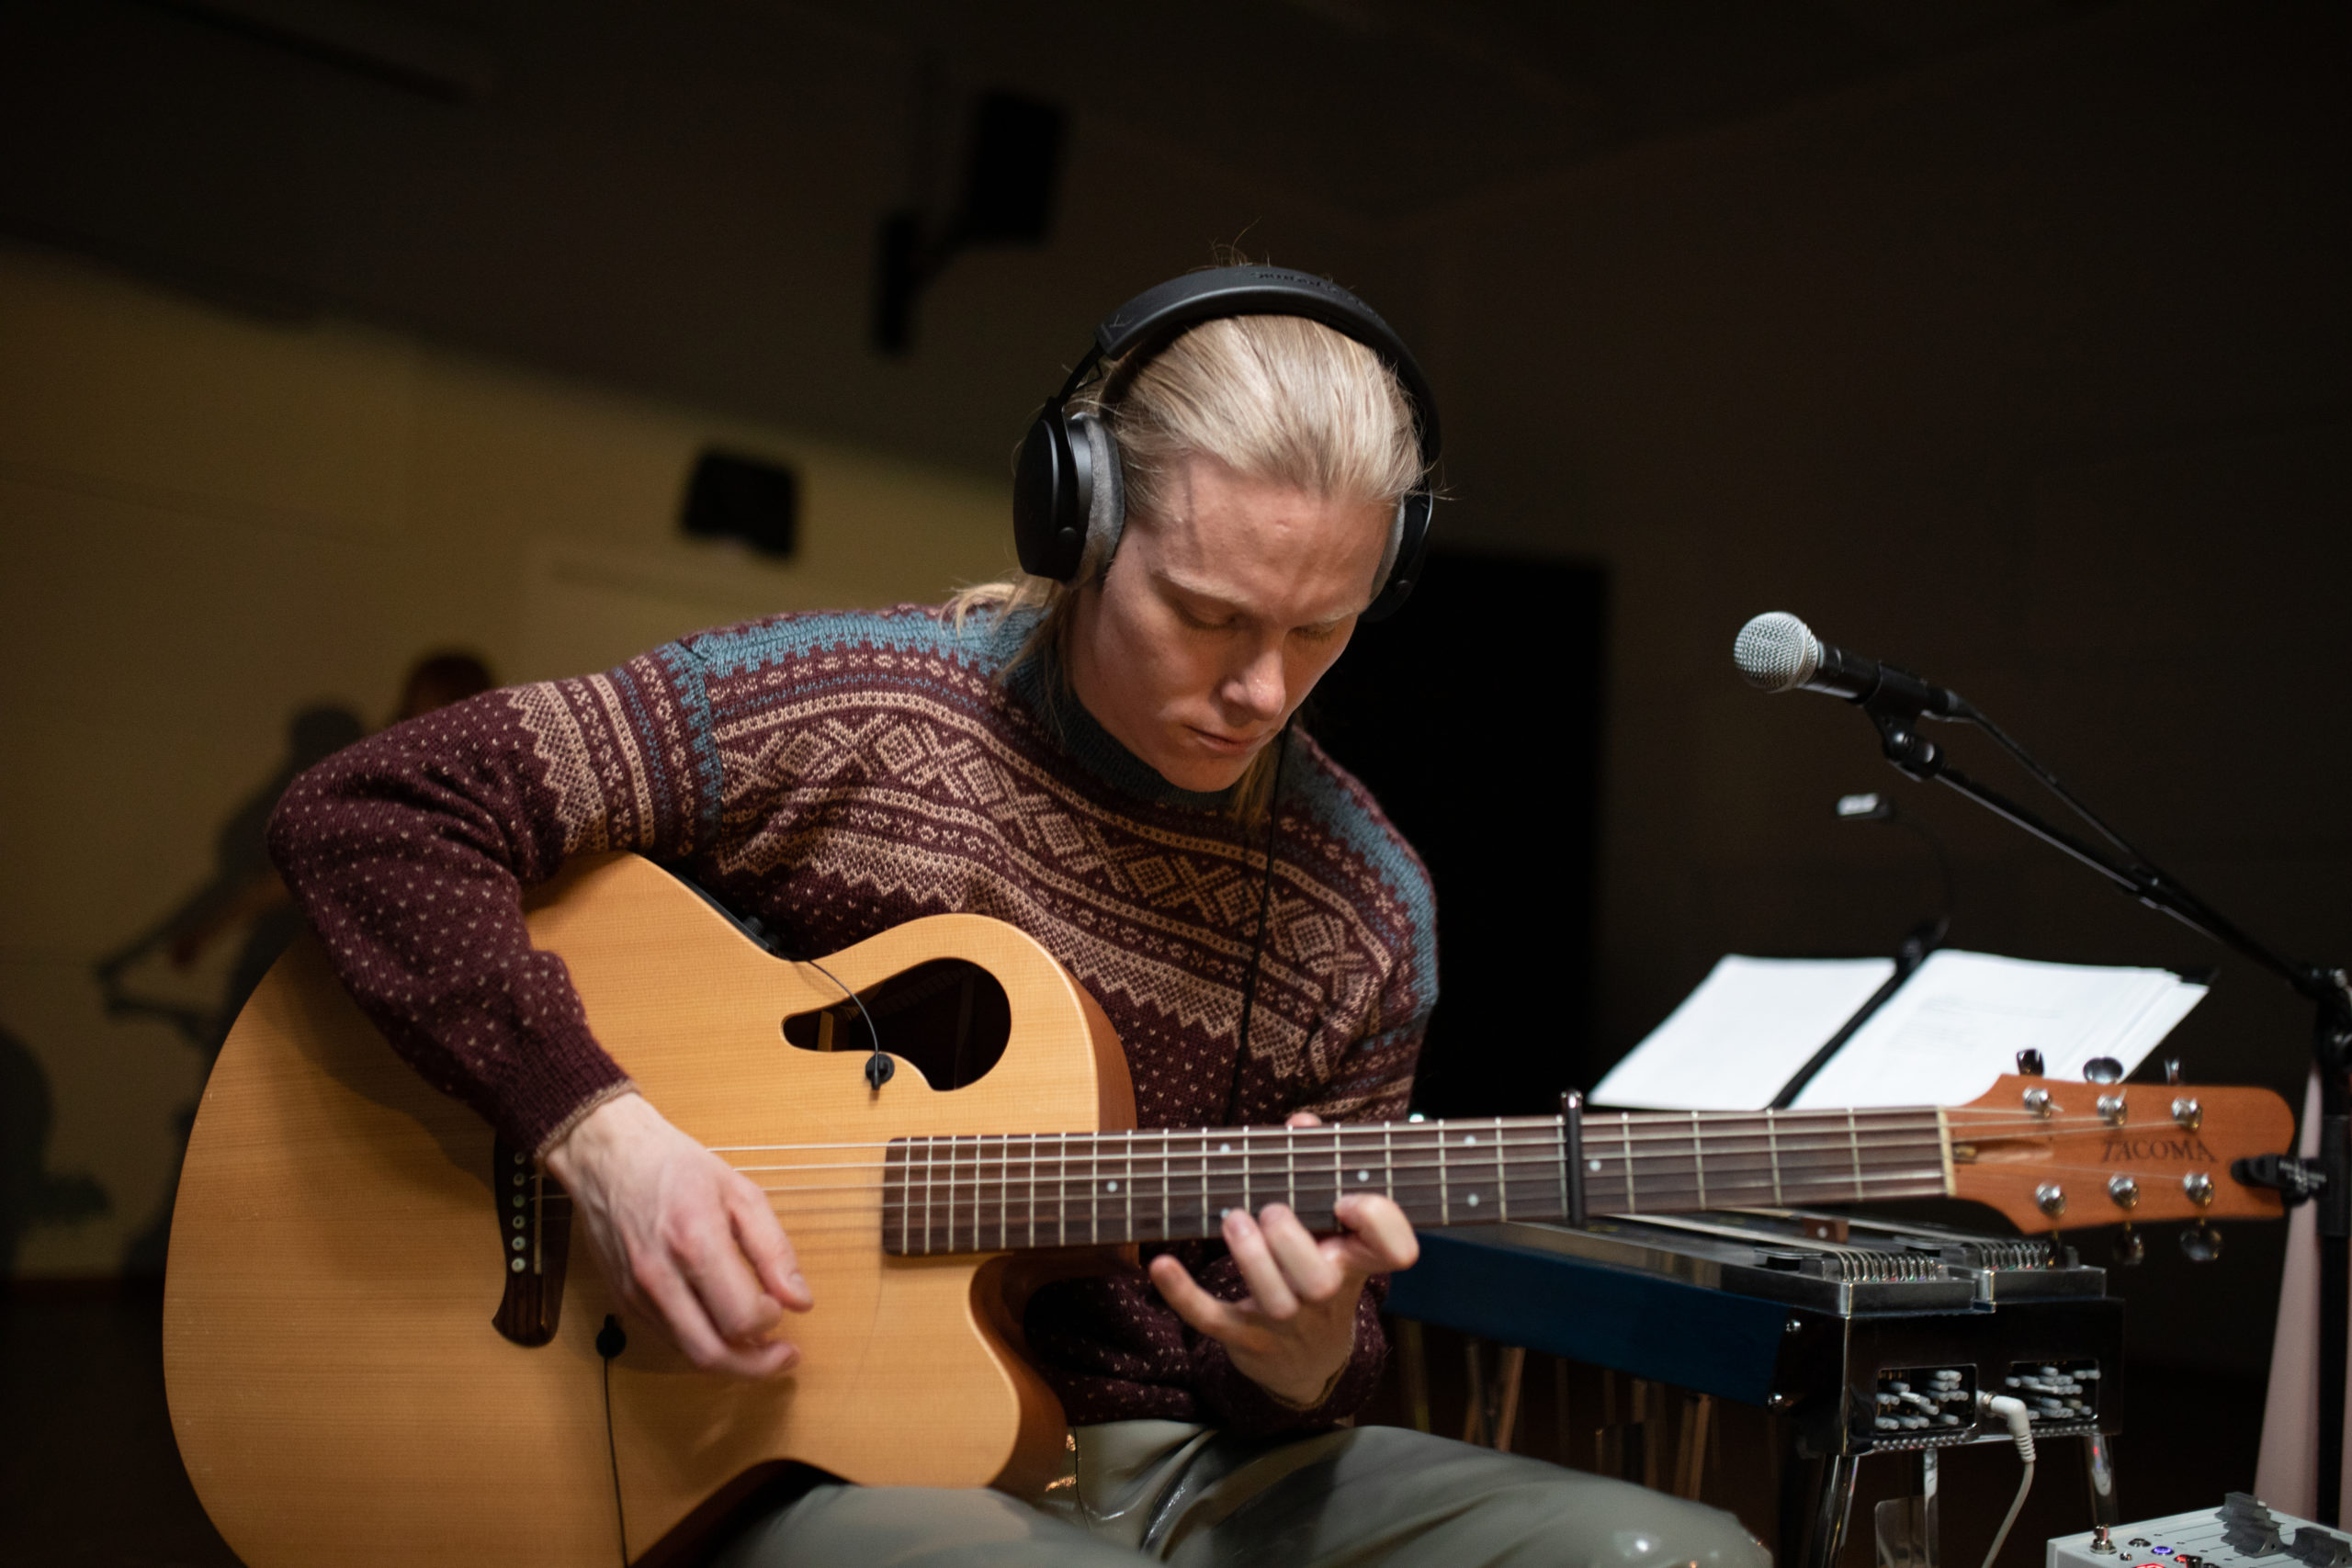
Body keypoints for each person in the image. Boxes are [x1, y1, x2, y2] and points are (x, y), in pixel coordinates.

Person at [267, 266, 1764, 1567]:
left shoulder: (1366, 906)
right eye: (1207, 613)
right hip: (783, 1428)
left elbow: (1309, 1349)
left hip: (1184, 1461)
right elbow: (369, 814)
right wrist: (603, 1136)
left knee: (1683, 1554)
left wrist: (1304, 1354)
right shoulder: (840, 706)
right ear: (1080, 522)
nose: (1262, 689)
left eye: (1323, 630)